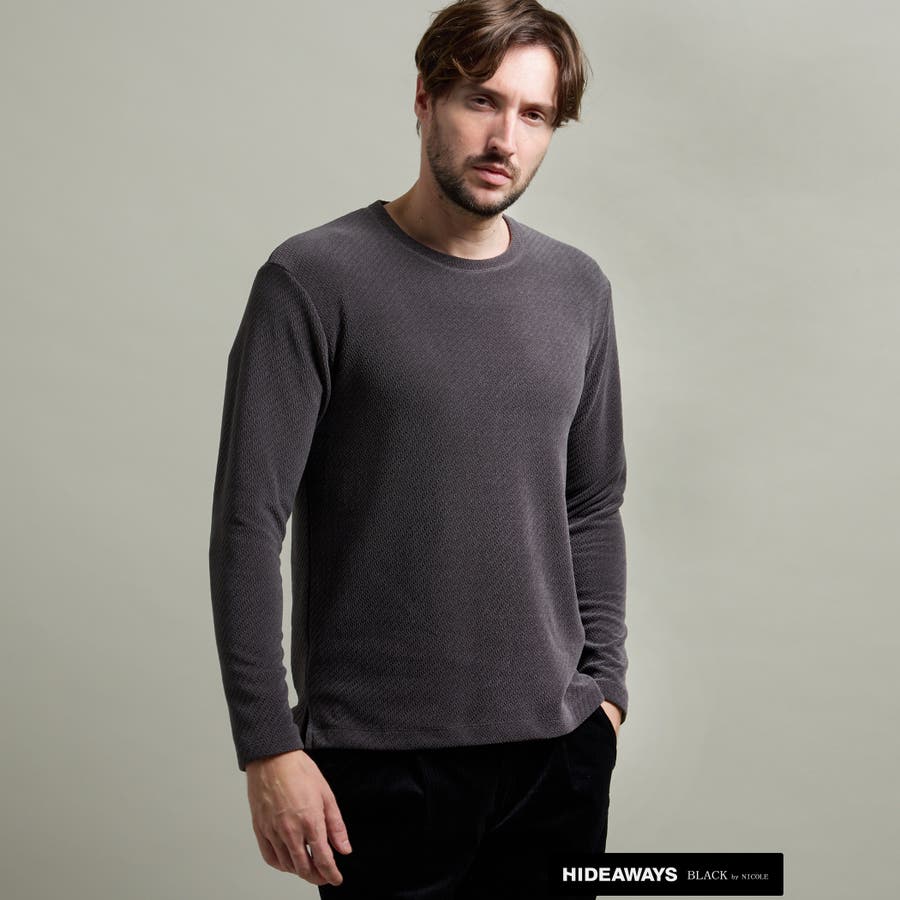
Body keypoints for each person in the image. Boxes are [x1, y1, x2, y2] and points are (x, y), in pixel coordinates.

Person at [208, 1, 629, 896]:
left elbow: (592, 505)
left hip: (557, 761)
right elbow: (248, 525)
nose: (505, 139)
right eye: (483, 101)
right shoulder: (313, 280)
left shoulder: (578, 290)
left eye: (535, 114)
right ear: (425, 98)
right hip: (379, 770)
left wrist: (607, 696)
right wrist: (267, 745)